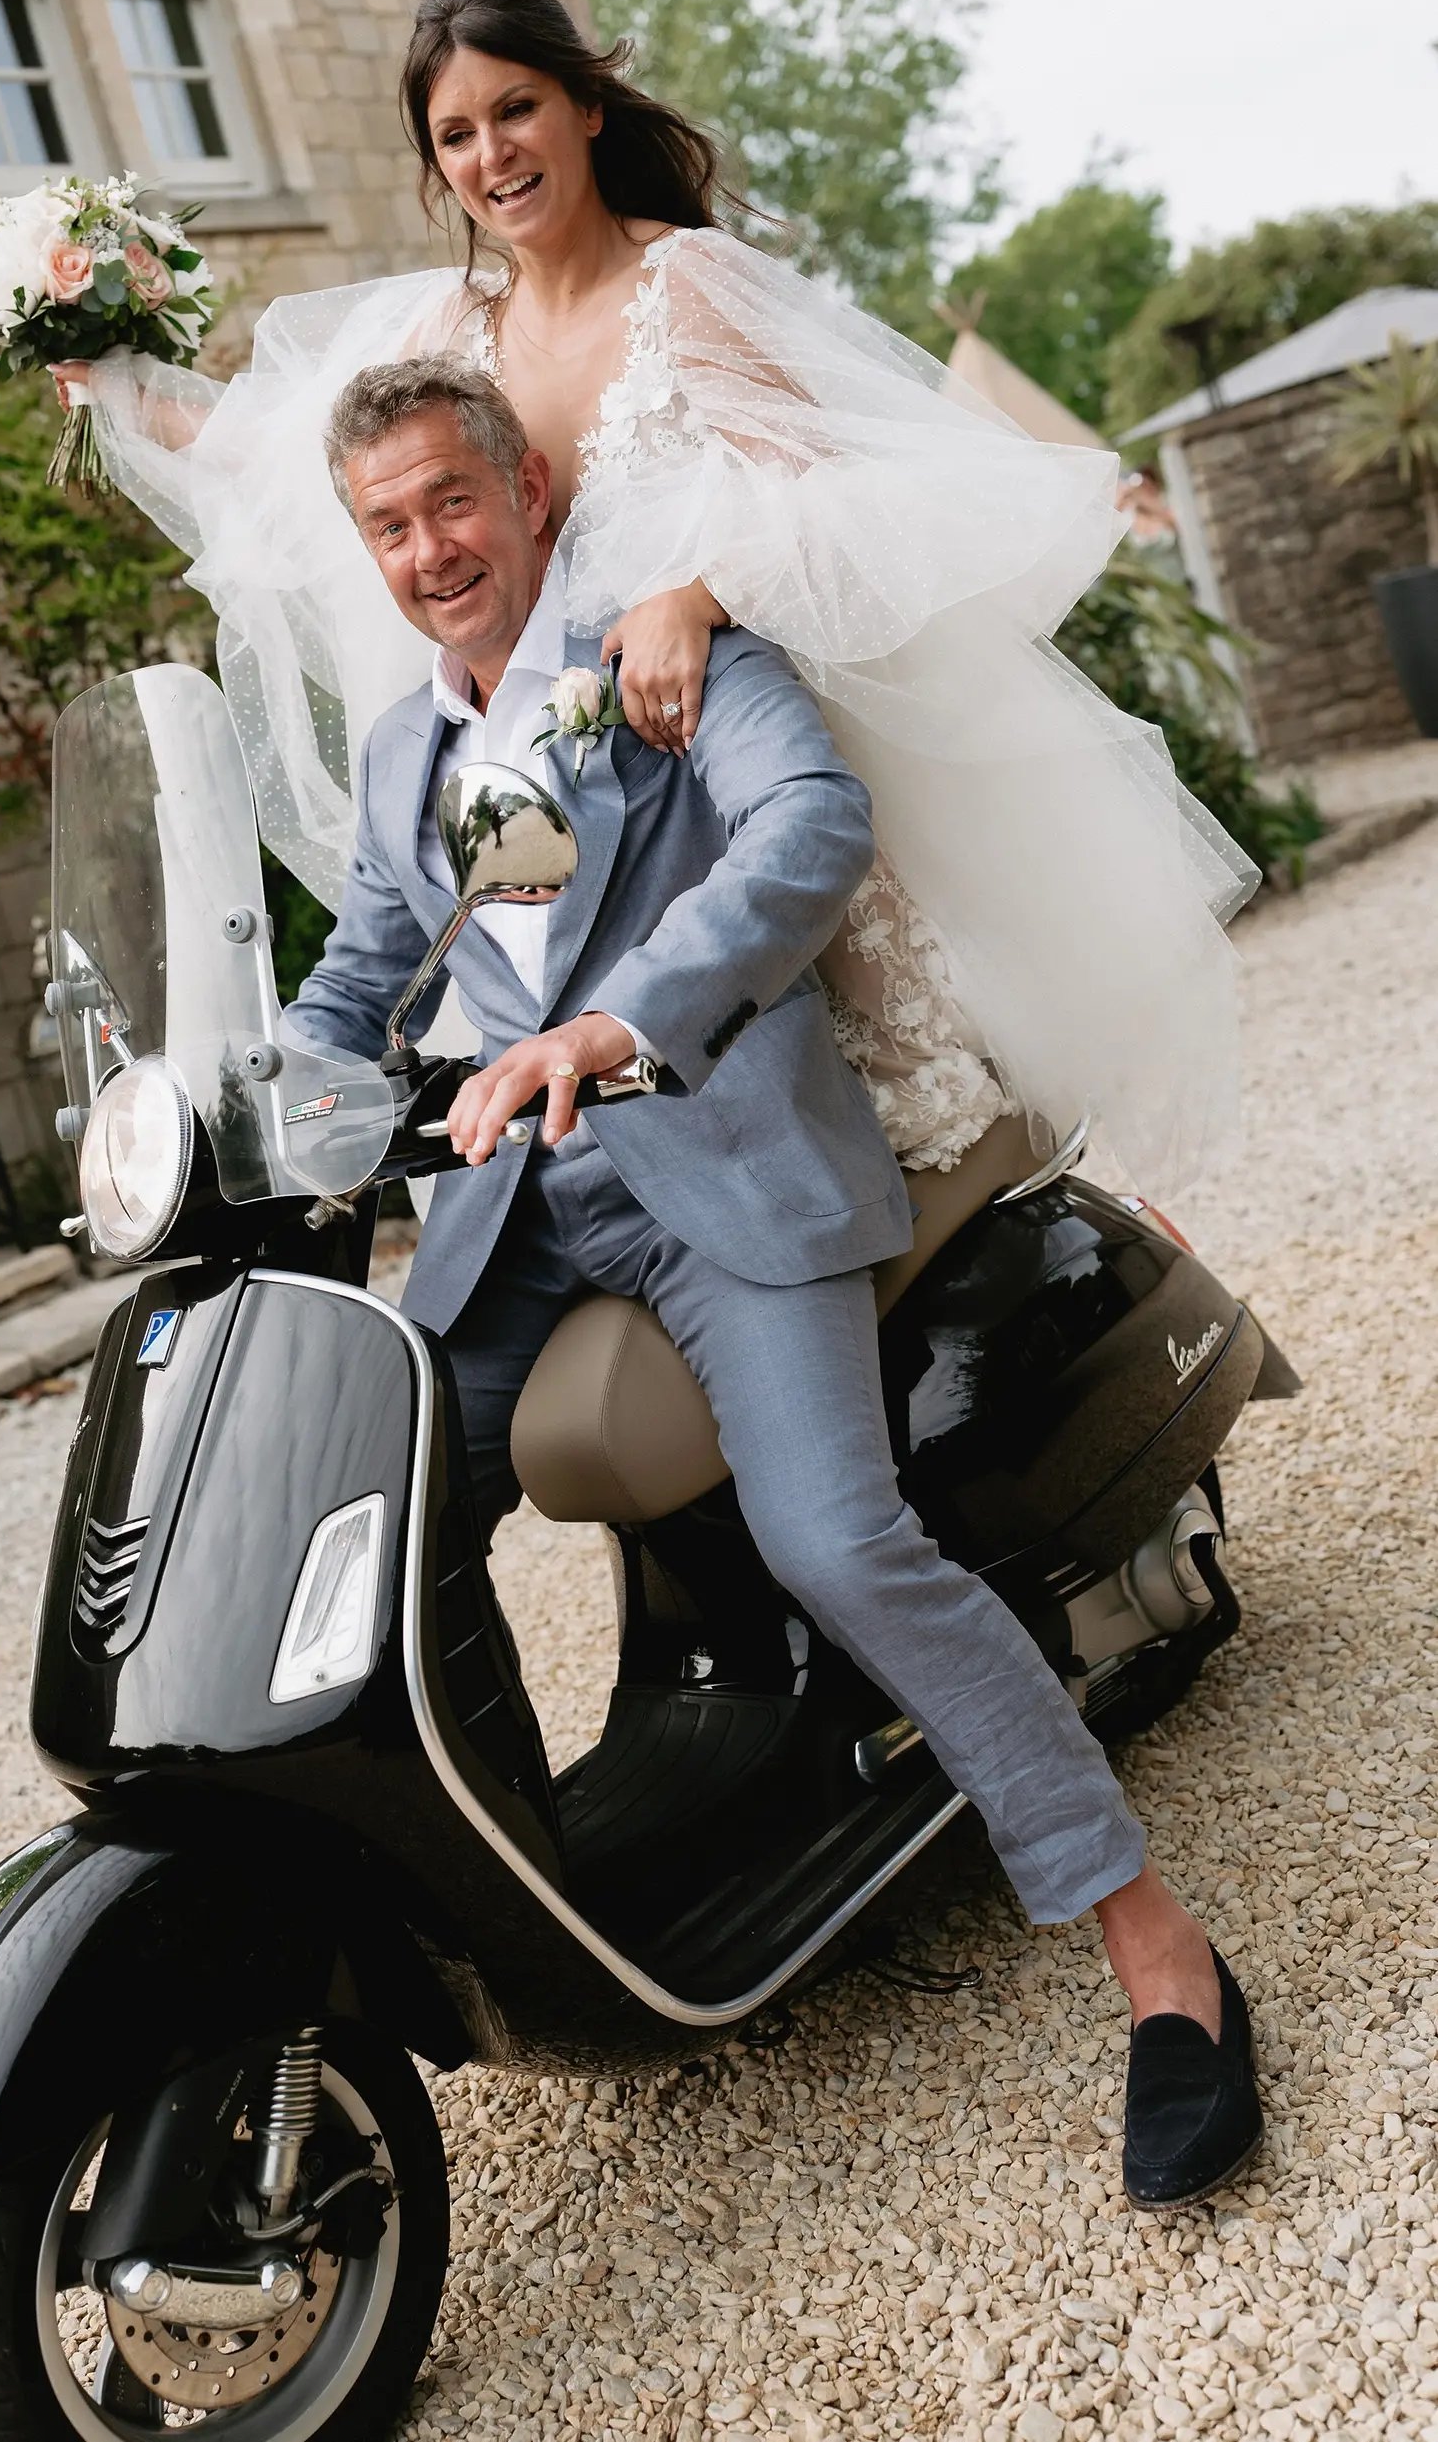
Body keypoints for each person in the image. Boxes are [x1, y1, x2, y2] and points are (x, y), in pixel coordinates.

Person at [283, 351, 1263, 2212]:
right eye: (389, 524)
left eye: (453, 503)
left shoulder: (655, 656)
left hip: (717, 1162)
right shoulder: (405, 748)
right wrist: (238, 1103)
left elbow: (805, 830)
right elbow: (361, 979)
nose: (430, 549)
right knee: (361, 1516)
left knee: (835, 1536)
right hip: (521, 1216)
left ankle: (1147, 1935)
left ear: (528, 498)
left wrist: (612, 1020)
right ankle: (529, 1884)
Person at [63, 0, 1258, 1201]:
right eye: (456, 136)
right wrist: (110, 378)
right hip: (583, 806)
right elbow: (282, 453)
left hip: (732, 757)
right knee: (634, 1152)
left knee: (901, 1141)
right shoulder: (446, 331)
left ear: (585, 105)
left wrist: (701, 591)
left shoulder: (690, 287)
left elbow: (863, 500)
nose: (492, 155)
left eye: (514, 109)